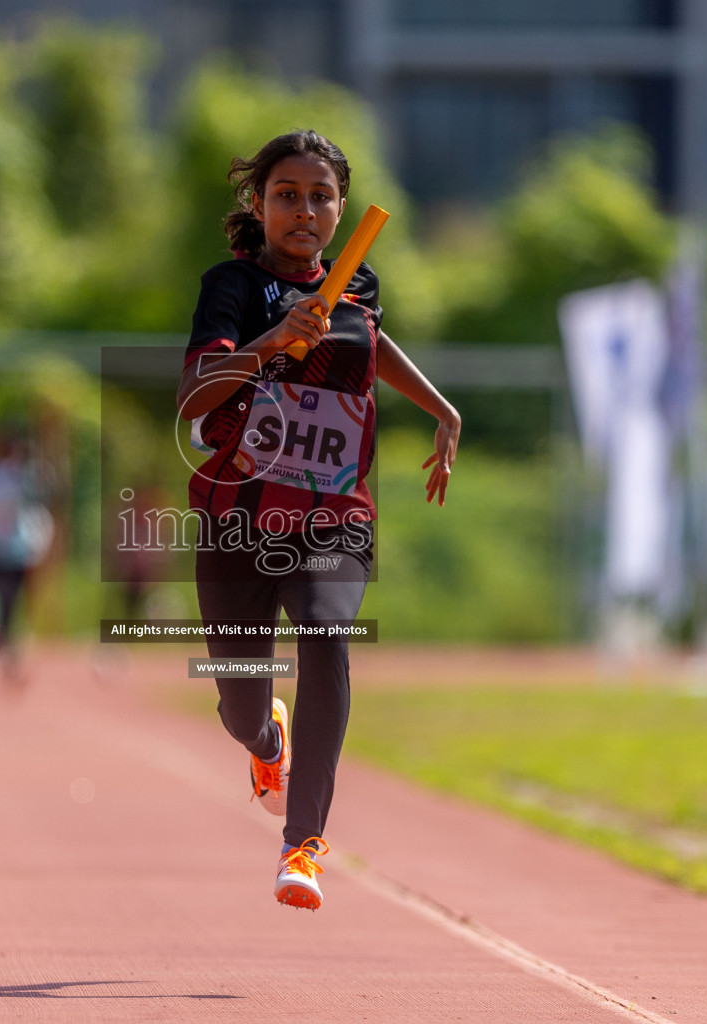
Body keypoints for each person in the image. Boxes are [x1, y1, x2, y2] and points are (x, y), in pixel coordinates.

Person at [175, 130, 461, 911]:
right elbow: (195, 398)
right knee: (239, 702)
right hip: (239, 519)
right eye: (287, 194)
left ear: (341, 207)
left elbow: (373, 339)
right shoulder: (229, 286)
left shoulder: (356, 282)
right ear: (259, 205)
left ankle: (301, 846)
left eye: (321, 196)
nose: (305, 210)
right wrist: (271, 342)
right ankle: (266, 739)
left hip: (333, 515)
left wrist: (440, 406)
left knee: (328, 637)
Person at [0, 430, 54, 685]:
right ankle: (4, 637)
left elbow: (43, 499)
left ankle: (7, 640)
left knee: (12, 598)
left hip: (19, 547)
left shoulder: (28, 475)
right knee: (0, 596)